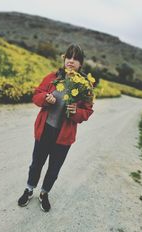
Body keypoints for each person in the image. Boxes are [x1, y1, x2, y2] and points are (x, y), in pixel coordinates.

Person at [18, 43, 94, 212]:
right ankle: (29, 189)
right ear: (64, 59)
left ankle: (44, 193)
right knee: (36, 163)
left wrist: (76, 112)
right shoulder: (53, 77)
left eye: (76, 58)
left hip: (64, 136)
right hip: (45, 129)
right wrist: (45, 98)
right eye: (69, 57)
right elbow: (36, 96)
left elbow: (87, 111)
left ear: (81, 63)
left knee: (54, 168)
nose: (71, 61)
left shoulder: (85, 86)